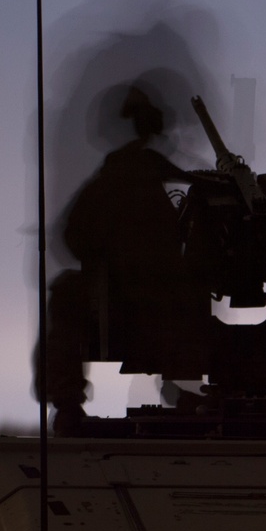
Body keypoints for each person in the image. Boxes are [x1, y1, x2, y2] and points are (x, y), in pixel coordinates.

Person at [41, 84, 212, 435]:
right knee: (67, 291)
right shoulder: (169, 182)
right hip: (150, 306)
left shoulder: (122, 180)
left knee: (66, 291)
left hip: (143, 306)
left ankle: (70, 405)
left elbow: (73, 236)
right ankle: (185, 394)